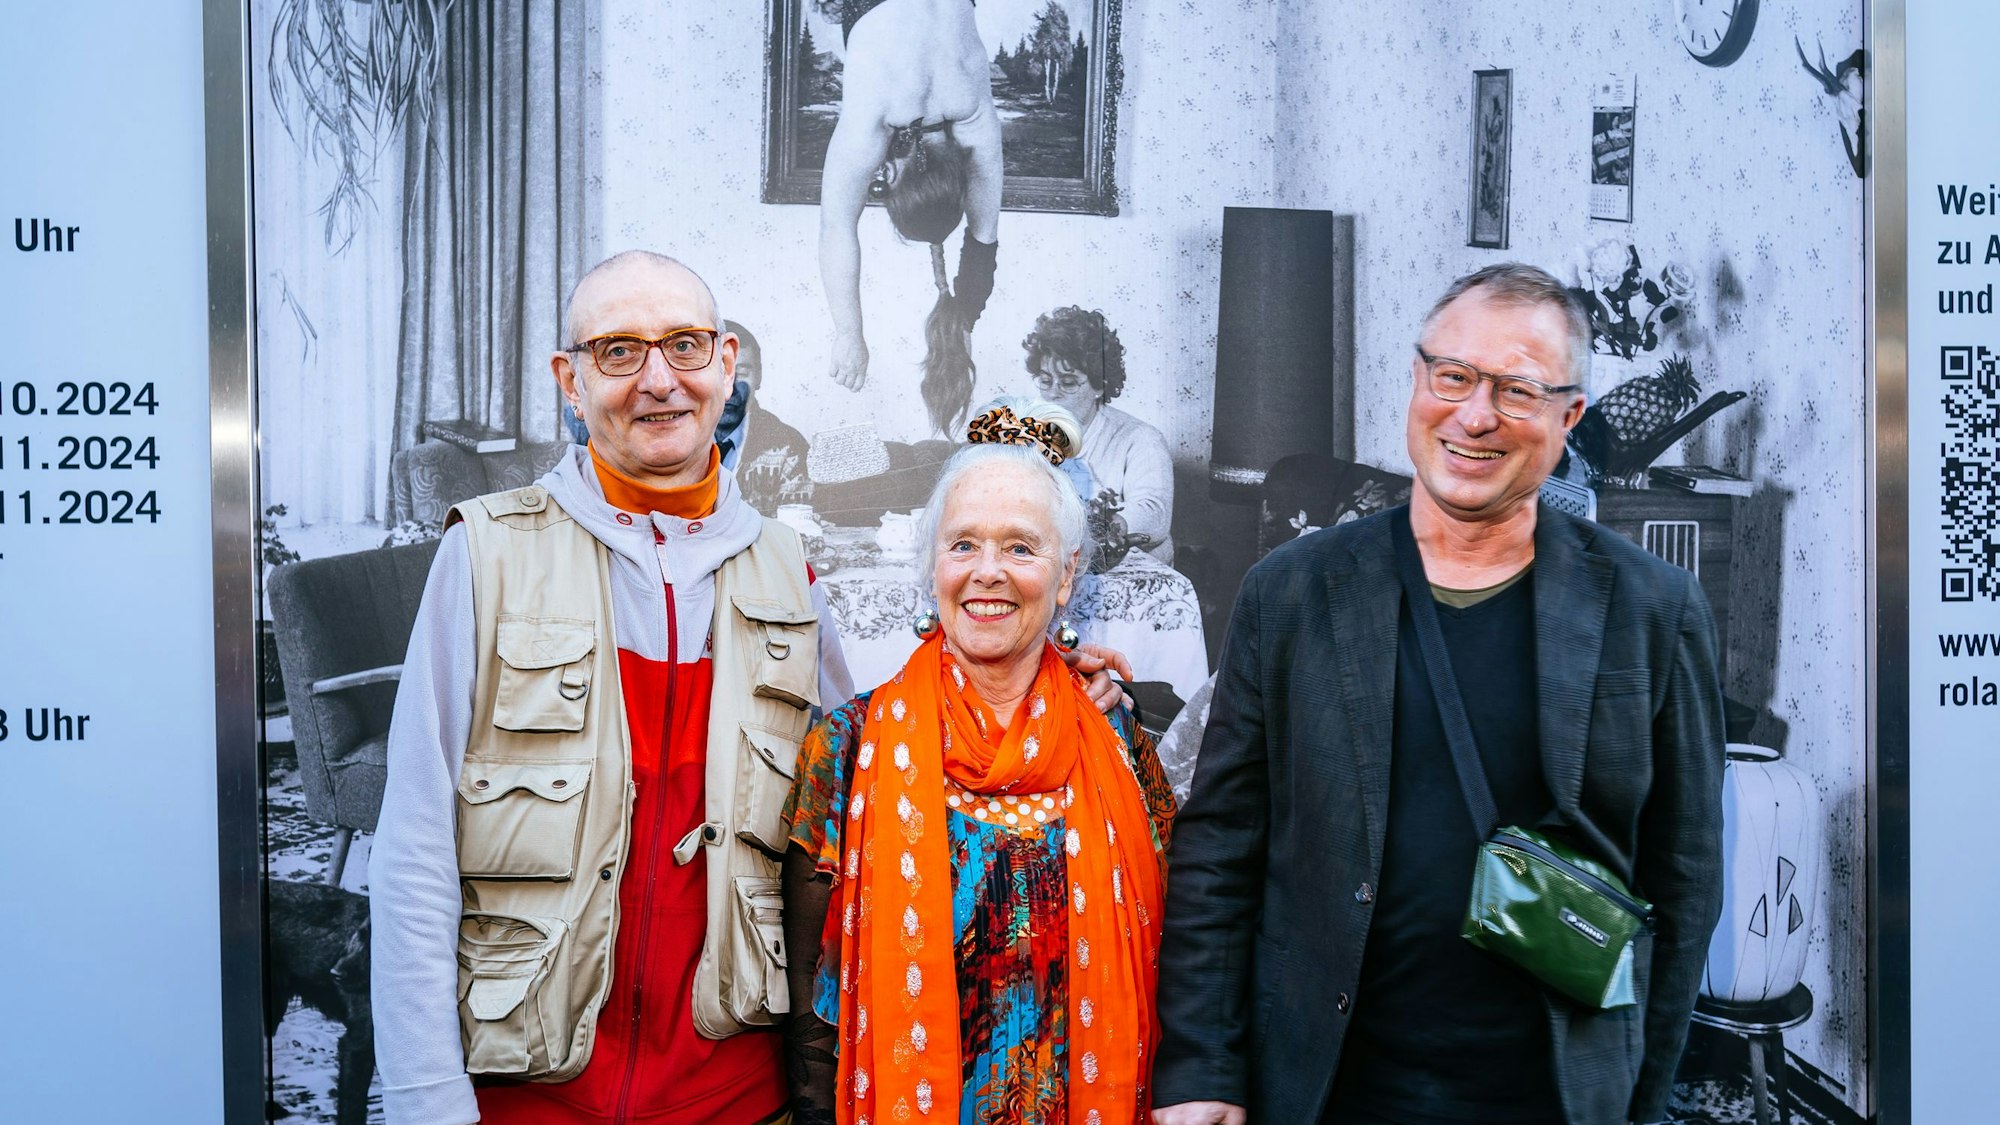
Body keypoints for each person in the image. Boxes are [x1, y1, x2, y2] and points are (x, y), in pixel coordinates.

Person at [1150, 263, 1725, 1125]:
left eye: (1518, 390)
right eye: (1452, 376)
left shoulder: (1651, 610)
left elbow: (1683, 881)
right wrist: (1200, 1062)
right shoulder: (1293, 592)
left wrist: (1641, 1098)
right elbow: (1222, 845)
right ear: (1417, 379)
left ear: (1569, 419)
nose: (1475, 414)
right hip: (1326, 1081)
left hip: (1552, 1092)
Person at [781, 398, 1177, 1125]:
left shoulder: (1119, 746)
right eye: (963, 544)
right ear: (932, 562)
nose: (987, 572)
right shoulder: (846, 747)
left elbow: (1182, 969)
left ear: (1066, 576)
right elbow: (811, 1021)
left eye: (1021, 547)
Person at [818, 0, 1003, 435]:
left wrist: (964, 319)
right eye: (884, 187)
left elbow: (984, 242)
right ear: (893, 176)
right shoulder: (875, 116)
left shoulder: (976, 121)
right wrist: (849, 334)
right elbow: (836, 228)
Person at [1022, 306, 1176, 566]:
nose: (1053, 394)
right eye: (1046, 381)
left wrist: (1098, 526)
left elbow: (1155, 514)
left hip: (1121, 575)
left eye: (1068, 383)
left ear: (1098, 385)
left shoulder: (1140, 439)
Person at [715, 320, 812, 514]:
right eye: (719, 372)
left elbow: (797, 529)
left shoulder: (789, 446)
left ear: (759, 377)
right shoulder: (669, 440)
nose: (731, 388)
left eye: (742, 373)